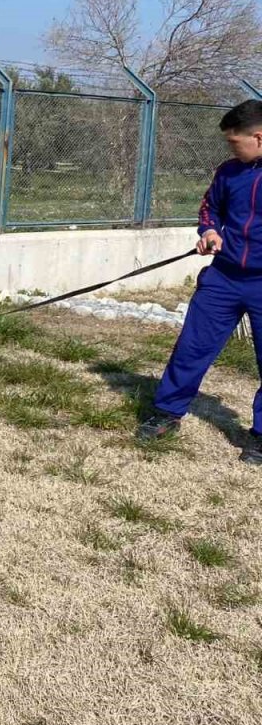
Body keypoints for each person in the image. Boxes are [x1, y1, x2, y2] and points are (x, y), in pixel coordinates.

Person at [138, 99, 262, 464]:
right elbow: (211, 208)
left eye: (234, 142)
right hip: (223, 278)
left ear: (258, 137)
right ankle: (167, 412)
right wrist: (210, 231)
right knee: (191, 347)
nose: (230, 148)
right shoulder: (229, 172)